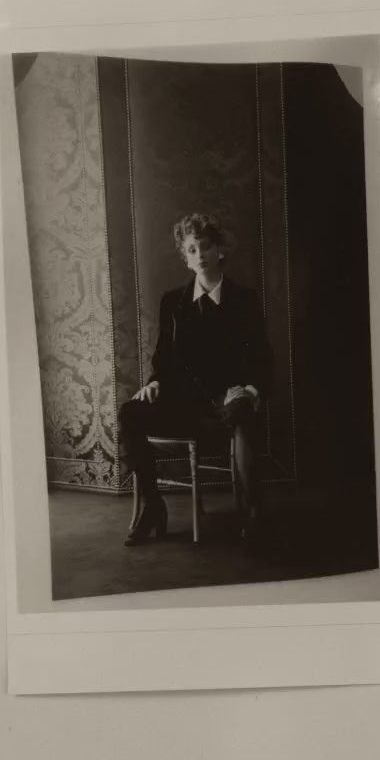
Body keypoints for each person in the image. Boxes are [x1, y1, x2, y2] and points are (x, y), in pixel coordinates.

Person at [117, 212, 272, 546]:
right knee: (130, 412)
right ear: (185, 259)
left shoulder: (244, 300)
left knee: (243, 413)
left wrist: (248, 390)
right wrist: (155, 382)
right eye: (191, 250)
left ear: (219, 251)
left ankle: (252, 514)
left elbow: (262, 358)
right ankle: (153, 507)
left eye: (205, 247)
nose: (199, 255)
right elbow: (164, 358)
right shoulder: (173, 302)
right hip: (182, 403)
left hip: (225, 403)